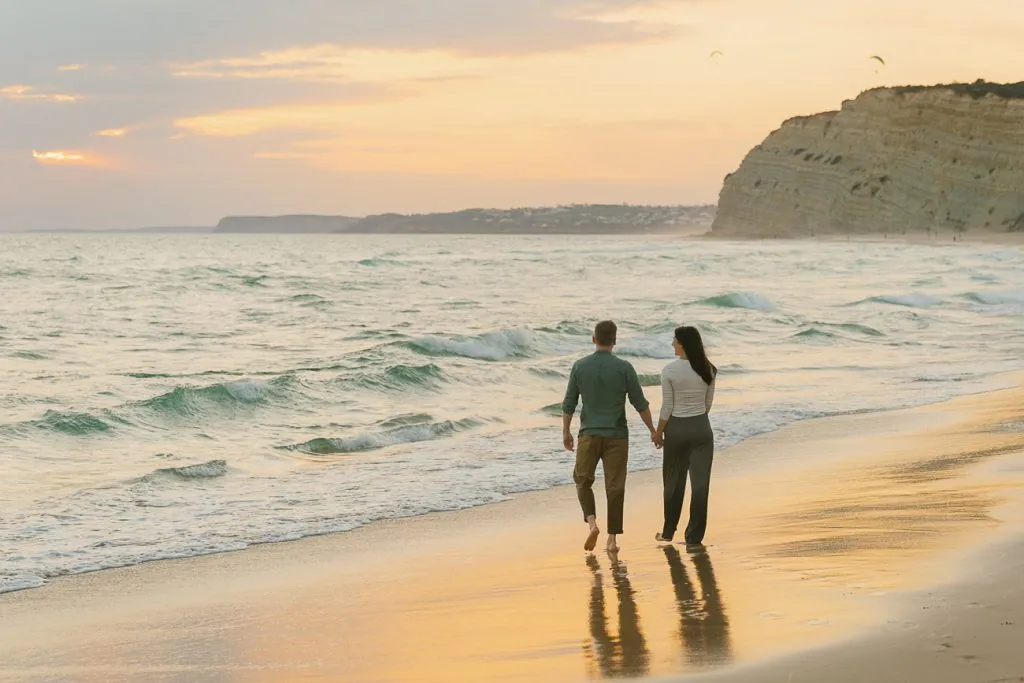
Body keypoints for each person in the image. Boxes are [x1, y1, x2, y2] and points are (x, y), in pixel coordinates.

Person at [562, 320, 657, 553]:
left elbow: (569, 404)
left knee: (582, 480)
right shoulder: (624, 368)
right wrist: (653, 431)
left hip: (589, 435)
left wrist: (566, 432)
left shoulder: (579, 366)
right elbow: (639, 404)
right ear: (614, 340)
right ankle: (612, 539)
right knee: (615, 487)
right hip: (617, 436)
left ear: (594, 339)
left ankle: (592, 524)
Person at [653, 325, 717, 547]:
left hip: (677, 430)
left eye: (675, 340)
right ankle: (694, 537)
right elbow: (707, 405)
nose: (672, 343)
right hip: (701, 429)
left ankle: (668, 531)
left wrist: (658, 432)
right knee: (700, 485)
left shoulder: (669, 371)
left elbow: (667, 407)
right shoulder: (708, 369)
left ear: (682, 344)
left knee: (673, 482)